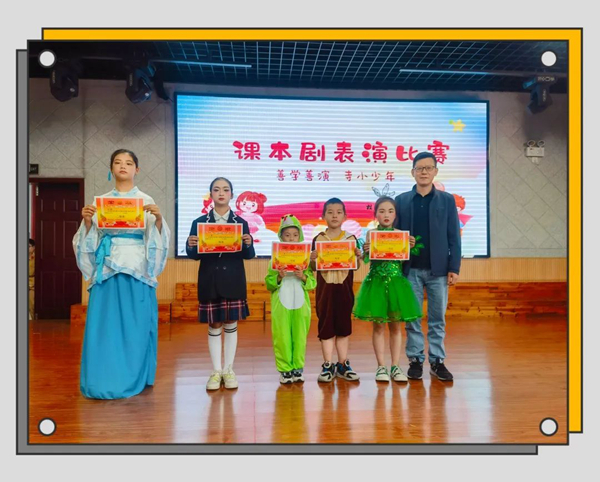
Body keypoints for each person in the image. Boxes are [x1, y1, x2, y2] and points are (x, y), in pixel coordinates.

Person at [73, 149, 170, 399]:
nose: (123, 166)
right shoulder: (100, 203)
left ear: (137, 169)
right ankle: (103, 378)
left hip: (137, 268)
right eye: (117, 162)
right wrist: (87, 222)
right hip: (107, 269)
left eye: (128, 163)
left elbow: (157, 238)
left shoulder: (146, 200)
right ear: (111, 169)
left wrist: (159, 220)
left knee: (136, 326)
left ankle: (134, 375)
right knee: (105, 327)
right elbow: (88, 239)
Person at [394, 151, 461, 381]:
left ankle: (437, 361)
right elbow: (393, 235)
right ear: (412, 172)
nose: (424, 172)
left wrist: (454, 267)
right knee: (412, 317)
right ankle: (415, 360)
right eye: (419, 168)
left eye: (428, 168)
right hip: (410, 269)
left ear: (435, 171)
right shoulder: (402, 200)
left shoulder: (447, 200)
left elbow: (454, 236)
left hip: (439, 270)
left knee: (437, 319)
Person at [186, 177, 255, 390]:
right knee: (214, 324)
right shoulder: (199, 222)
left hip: (233, 280)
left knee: (231, 324)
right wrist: (190, 245)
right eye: (216, 190)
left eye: (225, 190)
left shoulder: (240, 223)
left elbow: (248, 255)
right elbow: (194, 255)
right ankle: (216, 371)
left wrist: (248, 244)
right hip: (210, 280)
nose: (221, 193)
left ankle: (229, 369)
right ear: (211, 195)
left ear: (231, 195)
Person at [353, 196, 421, 383]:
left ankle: (396, 366)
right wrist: (365, 251)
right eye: (382, 211)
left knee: (396, 327)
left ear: (395, 215)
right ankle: (381, 366)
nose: (386, 215)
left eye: (390, 211)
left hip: (396, 284)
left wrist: (409, 247)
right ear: (375, 214)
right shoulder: (370, 234)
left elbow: (403, 259)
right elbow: (366, 260)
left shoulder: (401, 235)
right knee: (378, 326)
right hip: (376, 284)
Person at [310, 198, 362, 383]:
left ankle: (342, 364)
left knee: (343, 327)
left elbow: (356, 266)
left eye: (339, 212)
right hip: (325, 291)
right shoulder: (318, 239)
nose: (334, 216)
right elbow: (313, 267)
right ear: (323, 216)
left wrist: (358, 257)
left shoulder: (351, 239)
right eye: (330, 212)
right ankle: (327, 364)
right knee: (326, 327)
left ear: (345, 216)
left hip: (344, 289)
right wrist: (312, 259)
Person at [265, 215, 316, 384]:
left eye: (295, 234)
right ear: (281, 237)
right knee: (282, 336)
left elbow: (312, 283)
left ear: (300, 236)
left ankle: (298, 368)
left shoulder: (305, 260)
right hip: (281, 303)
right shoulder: (275, 259)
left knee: (300, 336)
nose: (291, 238)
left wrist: (303, 277)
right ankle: (285, 369)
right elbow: (269, 283)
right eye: (287, 235)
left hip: (301, 304)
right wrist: (278, 277)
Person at [28, 238, 35, 320]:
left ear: (33, 247)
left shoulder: (36, 258)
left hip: (32, 285)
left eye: (29, 246)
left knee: (32, 305)